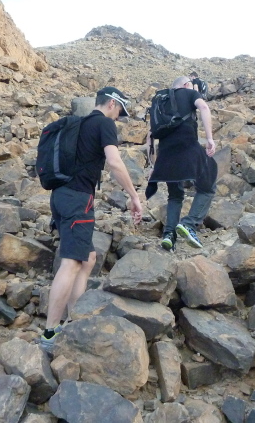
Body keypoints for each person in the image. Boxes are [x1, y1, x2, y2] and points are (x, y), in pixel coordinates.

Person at [40, 87, 143, 352]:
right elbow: (114, 163)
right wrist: (133, 196)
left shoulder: (79, 124)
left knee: (88, 258)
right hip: (78, 199)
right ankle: (50, 332)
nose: (118, 117)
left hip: (60, 196)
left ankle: (76, 319)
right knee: (72, 262)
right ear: (111, 104)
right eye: (119, 111)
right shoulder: (104, 124)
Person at [145, 76, 217, 252]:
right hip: (187, 147)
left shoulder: (160, 100)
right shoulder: (189, 93)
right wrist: (209, 138)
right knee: (208, 185)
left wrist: (153, 165)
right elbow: (204, 107)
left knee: (175, 195)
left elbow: (150, 136)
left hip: (166, 155)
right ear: (186, 85)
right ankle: (189, 224)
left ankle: (169, 235)